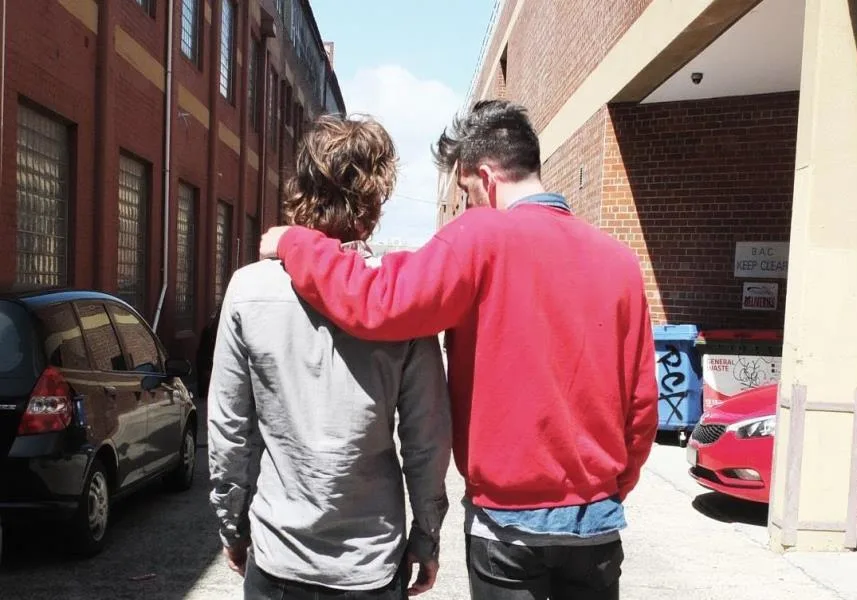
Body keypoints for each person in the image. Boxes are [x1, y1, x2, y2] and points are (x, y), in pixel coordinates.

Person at [259, 100, 659, 600]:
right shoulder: (620, 261)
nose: (469, 205)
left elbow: (377, 303)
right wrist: (611, 487)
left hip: (507, 524)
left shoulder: (481, 235)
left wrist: (298, 244)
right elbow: (642, 404)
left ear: (485, 178)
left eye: (467, 192)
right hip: (595, 521)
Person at [208, 114, 452, 600]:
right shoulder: (401, 300)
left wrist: (232, 525)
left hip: (279, 555)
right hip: (370, 560)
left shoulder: (248, 289)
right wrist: (426, 535)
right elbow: (426, 439)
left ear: (301, 188)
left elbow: (228, 428)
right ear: (375, 200)